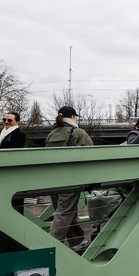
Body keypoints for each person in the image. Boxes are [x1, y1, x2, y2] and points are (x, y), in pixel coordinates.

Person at [45, 106, 94, 247]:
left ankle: (76, 243)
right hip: (71, 179)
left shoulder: (52, 134)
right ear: (72, 117)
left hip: (53, 179)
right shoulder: (78, 132)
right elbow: (92, 154)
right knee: (64, 214)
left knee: (67, 213)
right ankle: (50, 247)